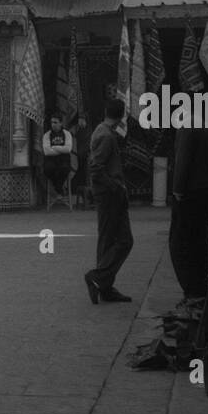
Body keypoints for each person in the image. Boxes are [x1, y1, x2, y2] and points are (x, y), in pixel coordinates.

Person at [169, 118, 208, 316]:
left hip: (190, 192)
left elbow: (183, 159)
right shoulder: (207, 128)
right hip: (206, 190)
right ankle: (200, 289)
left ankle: (192, 293)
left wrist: (177, 190)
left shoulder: (188, 128)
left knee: (181, 243)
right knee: (199, 241)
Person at [84, 97, 133, 304]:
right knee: (123, 240)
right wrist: (116, 186)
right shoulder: (107, 136)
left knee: (108, 240)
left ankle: (104, 286)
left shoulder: (100, 130)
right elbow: (95, 168)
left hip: (107, 193)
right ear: (122, 115)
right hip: (110, 195)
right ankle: (98, 277)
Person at [42, 114, 74, 202]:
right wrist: (61, 148)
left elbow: (68, 149)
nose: (53, 124)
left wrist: (54, 147)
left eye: (55, 122)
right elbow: (47, 151)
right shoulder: (46, 135)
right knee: (48, 169)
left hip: (64, 159)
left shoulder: (67, 134)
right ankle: (59, 190)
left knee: (64, 169)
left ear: (61, 123)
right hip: (51, 159)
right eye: (52, 122)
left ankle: (57, 190)